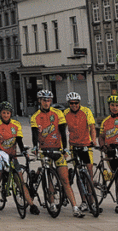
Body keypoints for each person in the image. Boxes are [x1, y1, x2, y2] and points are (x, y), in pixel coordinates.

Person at [29, 90, 84, 218]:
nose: (46, 103)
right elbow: (34, 135)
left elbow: (63, 132)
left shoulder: (58, 113)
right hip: (44, 150)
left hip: (57, 149)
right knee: (49, 178)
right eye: (44, 100)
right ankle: (52, 202)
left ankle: (75, 207)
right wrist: (35, 147)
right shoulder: (35, 116)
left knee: (64, 179)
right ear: (39, 101)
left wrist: (65, 148)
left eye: (48, 100)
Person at [0, 101, 39, 215]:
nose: (6, 115)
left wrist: (23, 151)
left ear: (11, 114)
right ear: (0, 114)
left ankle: (31, 204)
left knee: (20, 181)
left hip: (12, 156)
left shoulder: (16, 124)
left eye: (8, 113)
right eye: (3, 113)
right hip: (1, 155)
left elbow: (19, 140)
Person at [62, 92, 97, 212]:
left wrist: (93, 140)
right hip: (74, 146)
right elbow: (62, 130)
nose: (74, 105)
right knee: (79, 174)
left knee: (89, 172)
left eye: (76, 103)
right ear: (68, 104)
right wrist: (63, 147)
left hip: (86, 145)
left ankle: (92, 201)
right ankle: (83, 201)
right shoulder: (65, 113)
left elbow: (92, 127)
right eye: (71, 103)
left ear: (79, 103)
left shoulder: (86, 111)